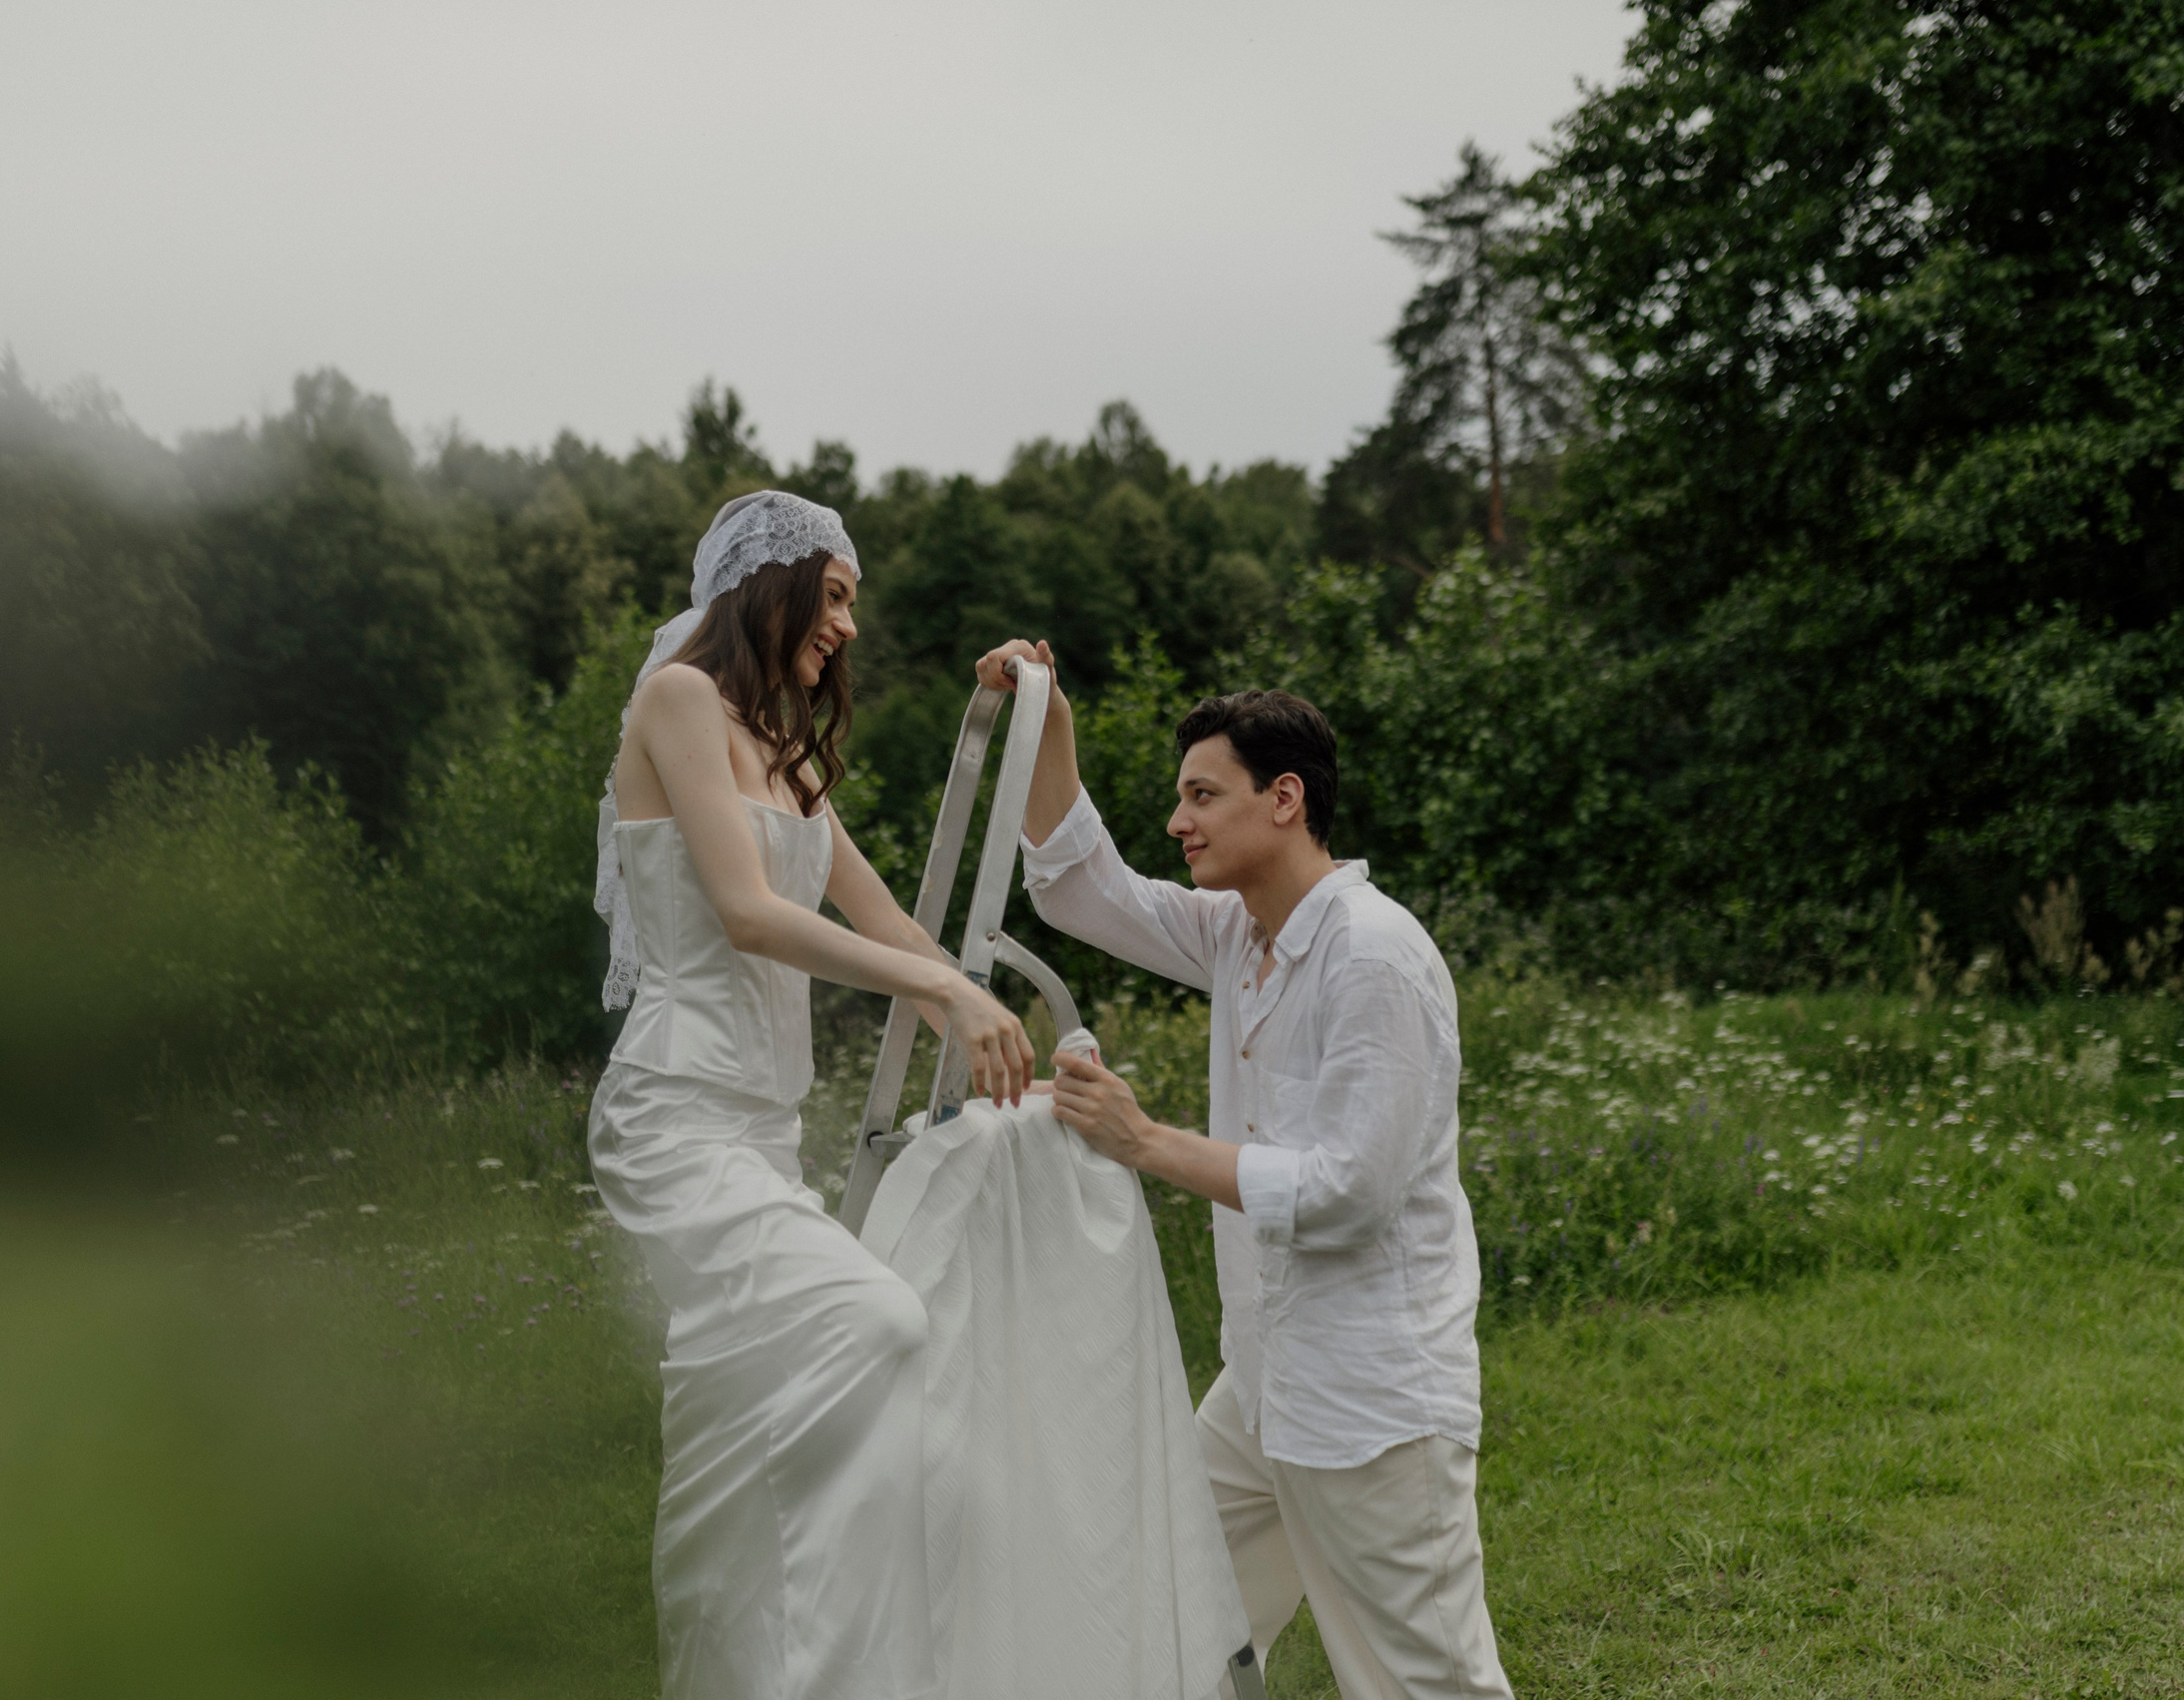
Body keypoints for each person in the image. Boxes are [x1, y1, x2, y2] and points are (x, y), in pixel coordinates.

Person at [975, 639, 1510, 1700]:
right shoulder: (1240, 933)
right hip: (1261, 1388)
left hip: (1371, 1404)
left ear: (1284, 798)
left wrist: (1144, 1140)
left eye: (1201, 794)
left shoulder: (1374, 953)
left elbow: (1351, 1192)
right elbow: (1085, 891)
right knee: (1169, 1618)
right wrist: (1048, 721)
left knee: (1425, 1682)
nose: (1178, 821)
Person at [590, 491, 1036, 1700]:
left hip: (762, 1131)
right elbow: (748, 914)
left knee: (731, 1428)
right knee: (878, 1325)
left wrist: (1005, 1005)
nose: (845, 624)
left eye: (851, 603)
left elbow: (891, 919)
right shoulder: (677, 700)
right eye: (833, 593)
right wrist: (940, 997)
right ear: (768, 581)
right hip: (677, 1116)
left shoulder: (786, 759)